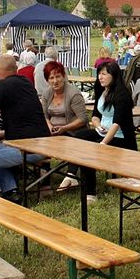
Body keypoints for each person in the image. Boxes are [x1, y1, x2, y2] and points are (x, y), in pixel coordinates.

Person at [0, 55, 51, 198]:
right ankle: (10, 192)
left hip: (26, 148)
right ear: (16, 69)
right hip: (44, 144)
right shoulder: (27, 82)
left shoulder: (1, 85)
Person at [74, 62, 137, 201]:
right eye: (99, 74)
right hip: (103, 131)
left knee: (89, 151)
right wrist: (98, 126)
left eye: (104, 74)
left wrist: (102, 143)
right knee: (78, 137)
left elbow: (116, 124)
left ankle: (90, 193)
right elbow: (96, 115)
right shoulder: (101, 90)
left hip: (121, 137)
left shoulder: (122, 94)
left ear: (113, 76)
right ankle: (71, 175)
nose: (100, 77)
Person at [41, 60, 88, 192]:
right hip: (53, 130)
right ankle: (45, 180)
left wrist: (64, 128)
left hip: (73, 130)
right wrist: (49, 125)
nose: (55, 81)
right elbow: (44, 115)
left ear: (64, 76)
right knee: (40, 140)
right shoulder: (47, 93)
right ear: (47, 80)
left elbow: (83, 119)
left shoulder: (74, 94)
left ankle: (70, 176)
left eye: (58, 76)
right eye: (51, 77)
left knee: (73, 141)